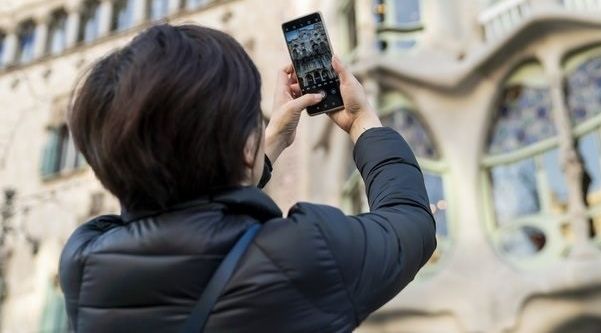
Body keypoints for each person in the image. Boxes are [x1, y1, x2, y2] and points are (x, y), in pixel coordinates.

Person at [59, 23, 436, 332]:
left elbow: (190, 212)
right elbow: (412, 222)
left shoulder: (84, 263)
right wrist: (361, 121)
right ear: (243, 146)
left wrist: (265, 146)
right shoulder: (302, 255)